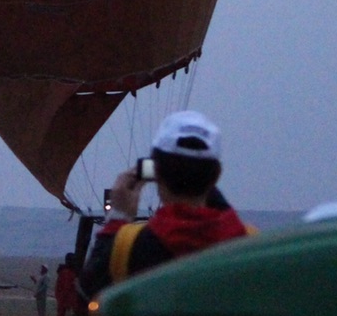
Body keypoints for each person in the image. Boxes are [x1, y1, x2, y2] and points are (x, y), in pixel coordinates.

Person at [79, 111, 248, 299]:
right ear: (216, 175)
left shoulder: (127, 248)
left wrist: (118, 216)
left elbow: (89, 289)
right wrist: (203, 182)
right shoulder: (248, 246)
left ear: (155, 171)